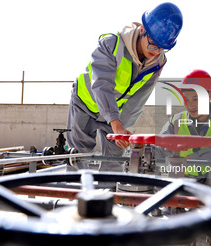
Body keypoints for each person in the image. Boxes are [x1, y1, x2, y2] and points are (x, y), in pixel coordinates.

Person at [66, 3, 183, 175]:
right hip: (85, 103)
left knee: (114, 162)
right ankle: (77, 199)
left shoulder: (158, 62)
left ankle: (108, 197)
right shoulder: (112, 44)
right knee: (78, 157)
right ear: (142, 29)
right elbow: (101, 84)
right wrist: (115, 122)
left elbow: (139, 100)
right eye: (153, 44)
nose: (156, 51)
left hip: (115, 114)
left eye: (162, 47)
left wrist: (121, 128)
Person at [156, 69, 211, 192]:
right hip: (184, 178)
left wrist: (190, 158)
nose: (190, 105)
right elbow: (160, 147)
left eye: (196, 99)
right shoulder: (176, 121)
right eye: (186, 99)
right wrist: (145, 150)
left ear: (209, 96)